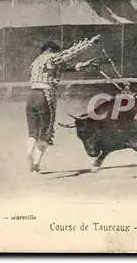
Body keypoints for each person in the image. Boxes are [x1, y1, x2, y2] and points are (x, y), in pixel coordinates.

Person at [26, 35, 101, 173]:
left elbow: (65, 66)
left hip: (31, 97)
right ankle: (36, 163)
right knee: (46, 133)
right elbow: (69, 54)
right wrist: (89, 42)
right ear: (49, 50)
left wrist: (82, 65)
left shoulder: (35, 62)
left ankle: (29, 153)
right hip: (45, 96)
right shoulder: (50, 57)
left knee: (32, 133)